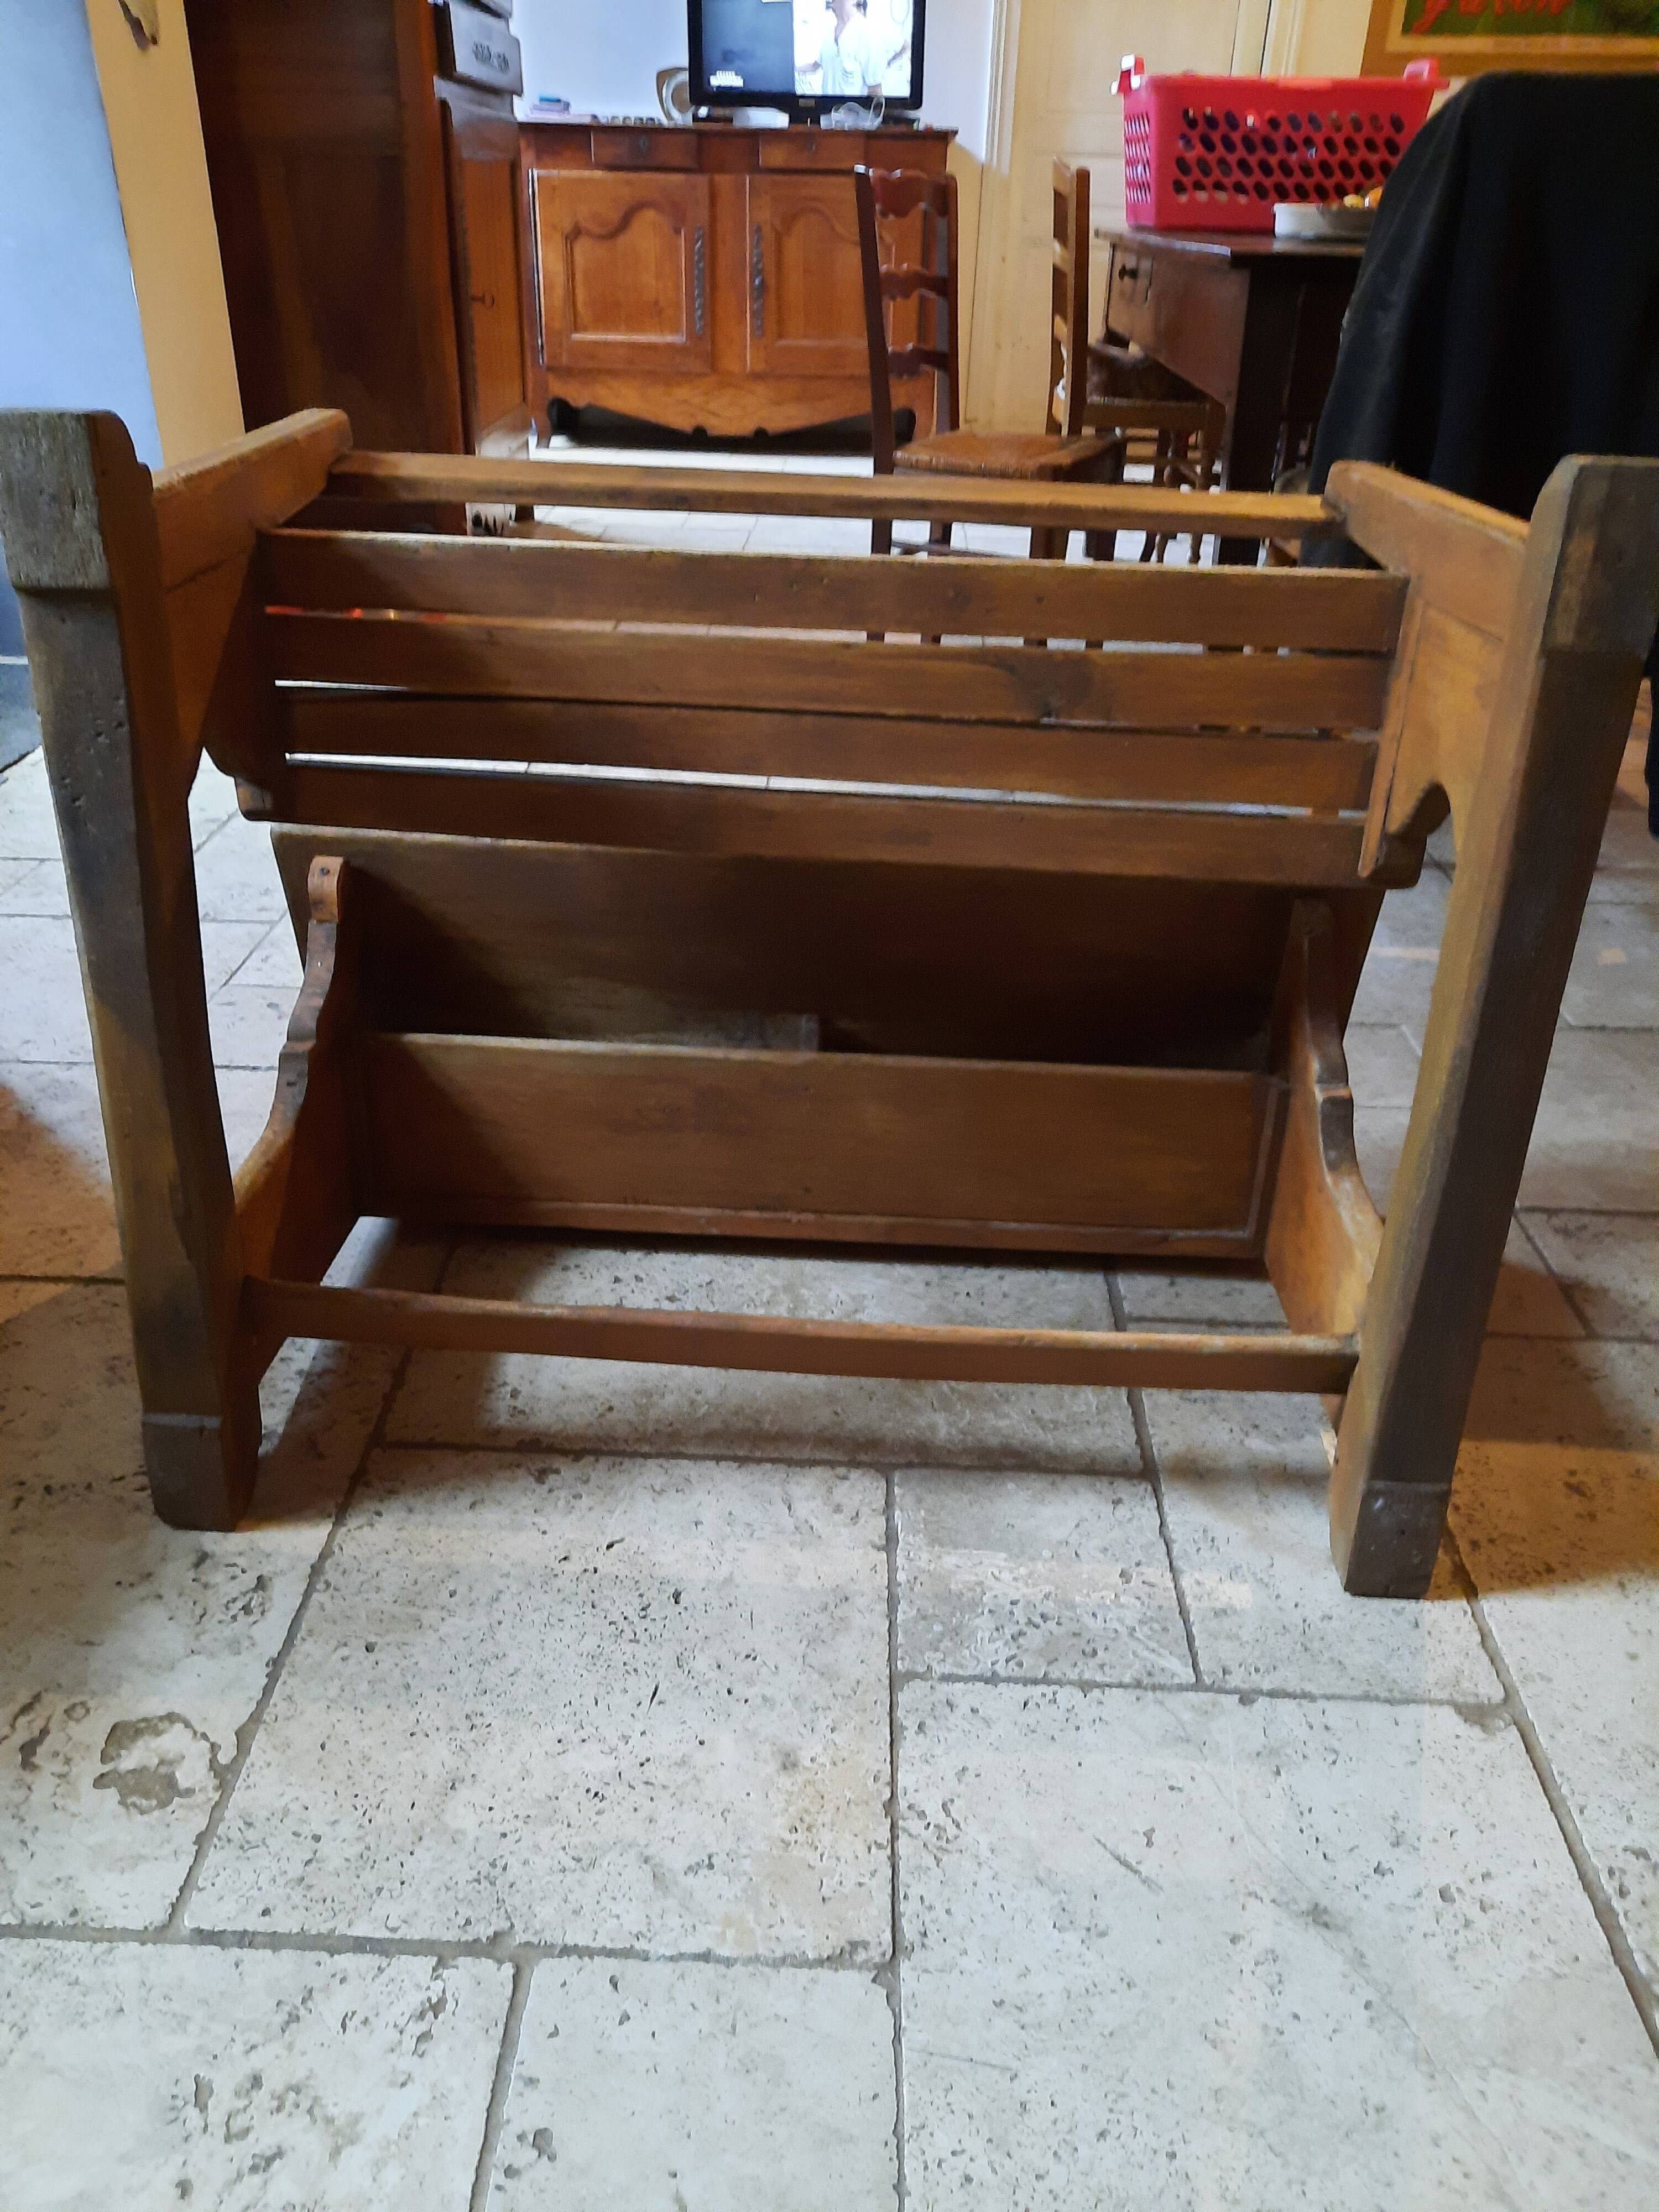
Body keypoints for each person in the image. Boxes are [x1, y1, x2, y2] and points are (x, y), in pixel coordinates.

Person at [802, 0, 884, 101]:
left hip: (853, 113)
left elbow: (875, 90)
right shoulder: (829, 32)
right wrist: (792, 70)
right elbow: (814, 66)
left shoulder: (867, 34)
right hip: (825, 111)